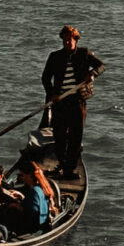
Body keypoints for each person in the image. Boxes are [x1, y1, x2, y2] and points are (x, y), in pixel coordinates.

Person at [41, 24, 105, 179]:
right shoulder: (55, 56)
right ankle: (62, 164)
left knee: (76, 136)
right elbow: (45, 78)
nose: (67, 43)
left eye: (69, 40)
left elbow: (101, 66)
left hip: (77, 100)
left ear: (75, 40)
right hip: (60, 101)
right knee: (60, 136)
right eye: (64, 40)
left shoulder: (84, 54)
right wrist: (52, 94)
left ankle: (70, 168)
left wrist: (93, 74)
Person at [3, 160, 56, 235]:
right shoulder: (42, 188)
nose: (21, 178)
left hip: (32, 228)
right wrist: (21, 196)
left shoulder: (34, 191)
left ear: (30, 175)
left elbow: (31, 213)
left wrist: (16, 206)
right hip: (42, 223)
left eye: (22, 175)